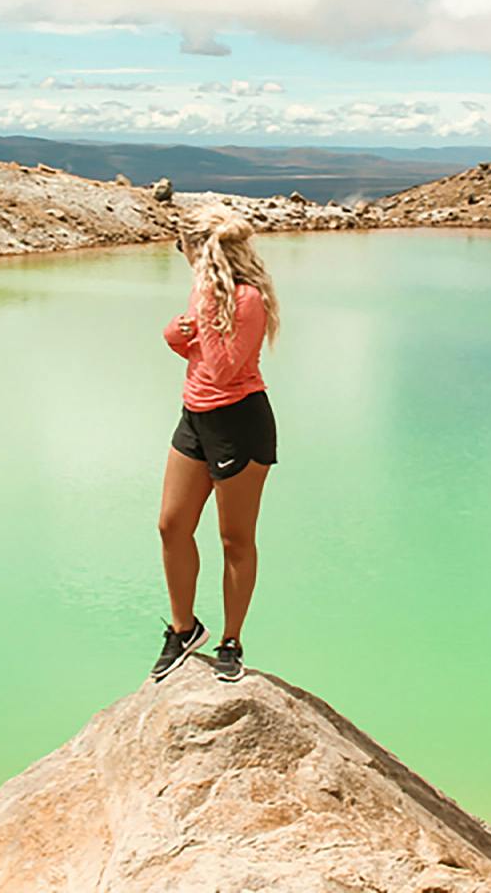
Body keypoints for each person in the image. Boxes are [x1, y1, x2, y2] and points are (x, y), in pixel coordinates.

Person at [150, 202, 280, 683]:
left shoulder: (247, 298)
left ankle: (231, 641)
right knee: (171, 525)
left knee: (235, 539)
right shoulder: (205, 290)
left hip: (239, 423)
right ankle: (184, 629)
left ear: (199, 248)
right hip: (196, 418)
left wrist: (199, 322)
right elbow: (193, 349)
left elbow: (225, 369)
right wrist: (175, 330)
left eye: (182, 245)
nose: (180, 253)